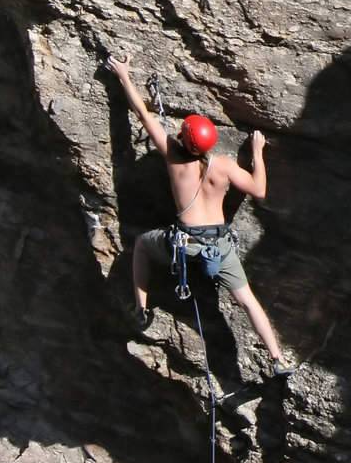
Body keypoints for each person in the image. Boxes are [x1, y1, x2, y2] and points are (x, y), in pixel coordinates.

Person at [107, 54, 291, 377]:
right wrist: (258, 153)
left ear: (183, 138)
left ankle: (141, 309)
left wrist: (123, 75)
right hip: (219, 249)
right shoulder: (224, 167)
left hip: (183, 247)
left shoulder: (174, 159)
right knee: (247, 301)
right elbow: (259, 190)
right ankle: (277, 359)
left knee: (141, 245)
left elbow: (141, 113)